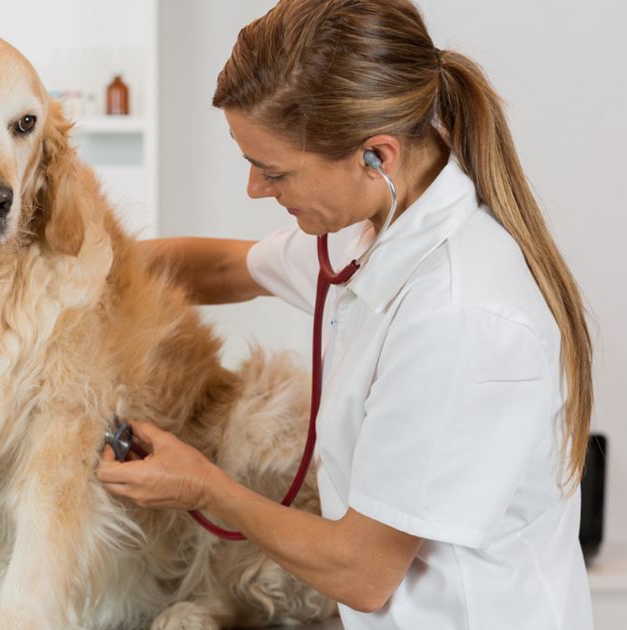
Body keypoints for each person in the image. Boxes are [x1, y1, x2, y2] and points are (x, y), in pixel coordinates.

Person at [95, 0, 595, 628]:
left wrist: (202, 486)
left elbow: (364, 572)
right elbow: (221, 269)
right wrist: (74, 270)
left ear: (376, 157)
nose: (254, 188)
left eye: (272, 170)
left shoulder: (458, 313)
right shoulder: (366, 236)